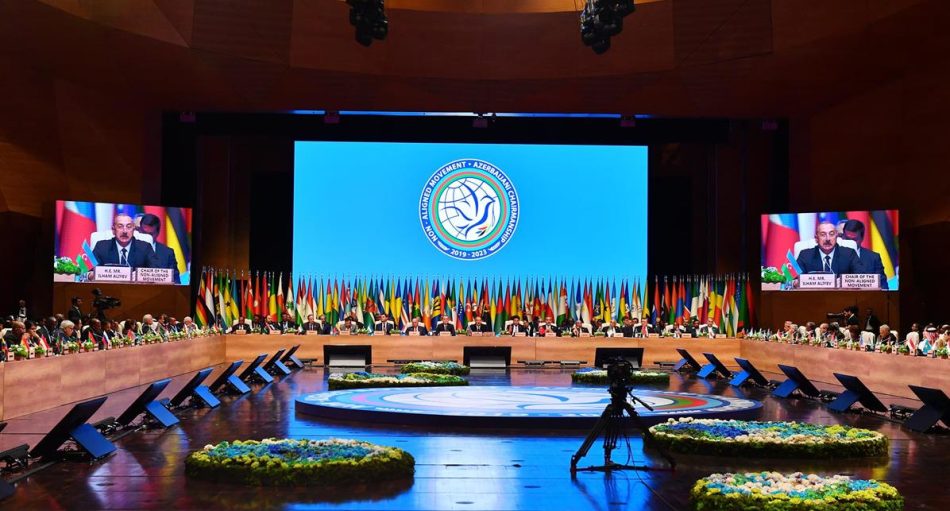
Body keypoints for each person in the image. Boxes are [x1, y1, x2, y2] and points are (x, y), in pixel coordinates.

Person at [91, 213, 157, 269]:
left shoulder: (145, 248)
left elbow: (155, 270)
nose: (125, 231)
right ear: (113, 230)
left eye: (129, 227)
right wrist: (92, 275)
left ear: (133, 230)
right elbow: (89, 271)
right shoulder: (101, 247)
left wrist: (139, 275)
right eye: (120, 226)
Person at [795, 221, 861, 276]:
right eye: (823, 234)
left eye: (831, 234)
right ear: (816, 238)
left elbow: (860, 276)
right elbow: (795, 278)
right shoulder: (805, 255)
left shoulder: (849, 254)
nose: (828, 239)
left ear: (836, 237)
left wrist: (842, 281)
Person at [841, 219, 889, 289]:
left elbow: (883, 287)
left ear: (862, 238)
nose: (850, 243)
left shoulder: (873, 258)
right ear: (842, 237)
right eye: (847, 239)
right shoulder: (831, 256)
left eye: (854, 240)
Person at [135, 213, 180, 283]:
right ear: (139, 231)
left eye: (150, 234)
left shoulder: (167, 253)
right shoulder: (129, 249)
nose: (147, 237)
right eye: (144, 233)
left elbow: (176, 282)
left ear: (158, 233)